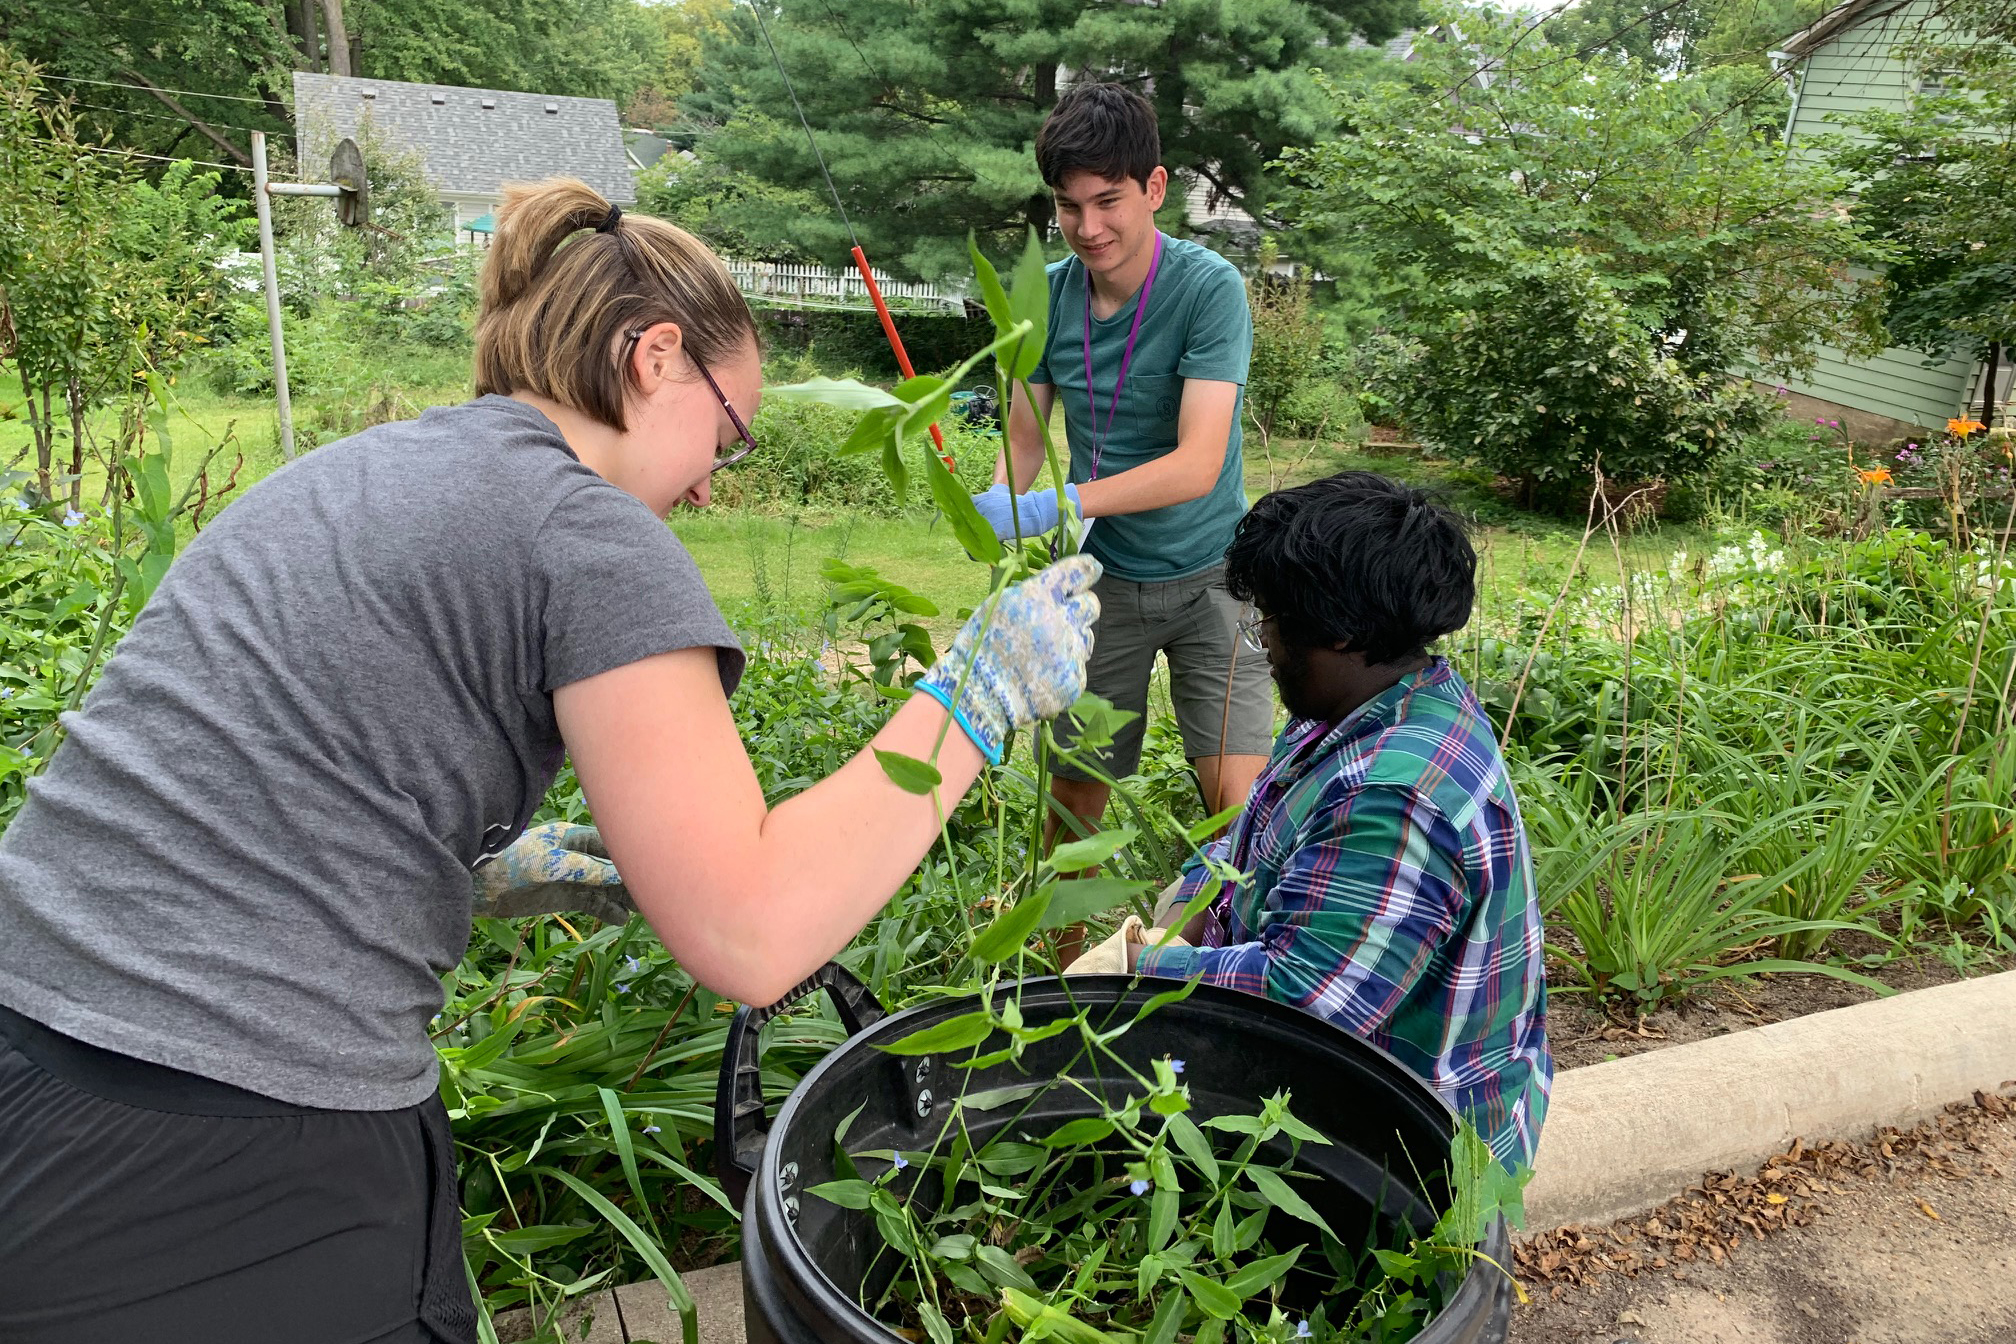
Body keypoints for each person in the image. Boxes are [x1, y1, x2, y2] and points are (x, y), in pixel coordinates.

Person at [0, 179, 1100, 1344]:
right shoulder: (583, 528)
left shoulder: (359, 472)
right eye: (730, 431)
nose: (716, 479)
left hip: (34, 1056)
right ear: (656, 356)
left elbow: (256, 757)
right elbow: (753, 932)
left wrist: (470, 864)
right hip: (237, 1135)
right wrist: (972, 704)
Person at [1070, 473, 1551, 1168]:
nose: (1262, 642)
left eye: (1273, 621)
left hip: (1409, 1148)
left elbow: (1306, 1001)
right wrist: (1194, 901)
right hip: (1352, 1083)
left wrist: (1138, 965)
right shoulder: (1367, 705)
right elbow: (1255, 832)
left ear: (1345, 631)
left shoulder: (1397, 800)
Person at [969, 82, 1273, 834]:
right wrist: (999, 502)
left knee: (1238, 808)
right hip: (1098, 581)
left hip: (1214, 574)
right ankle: (1069, 955)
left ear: (1155, 188)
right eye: (1069, 207)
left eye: (1108, 200)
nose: (1088, 226)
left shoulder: (1209, 290)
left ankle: (1235, 948)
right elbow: (1026, 435)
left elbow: (1198, 462)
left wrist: (1062, 504)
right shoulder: (1041, 296)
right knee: (1072, 809)